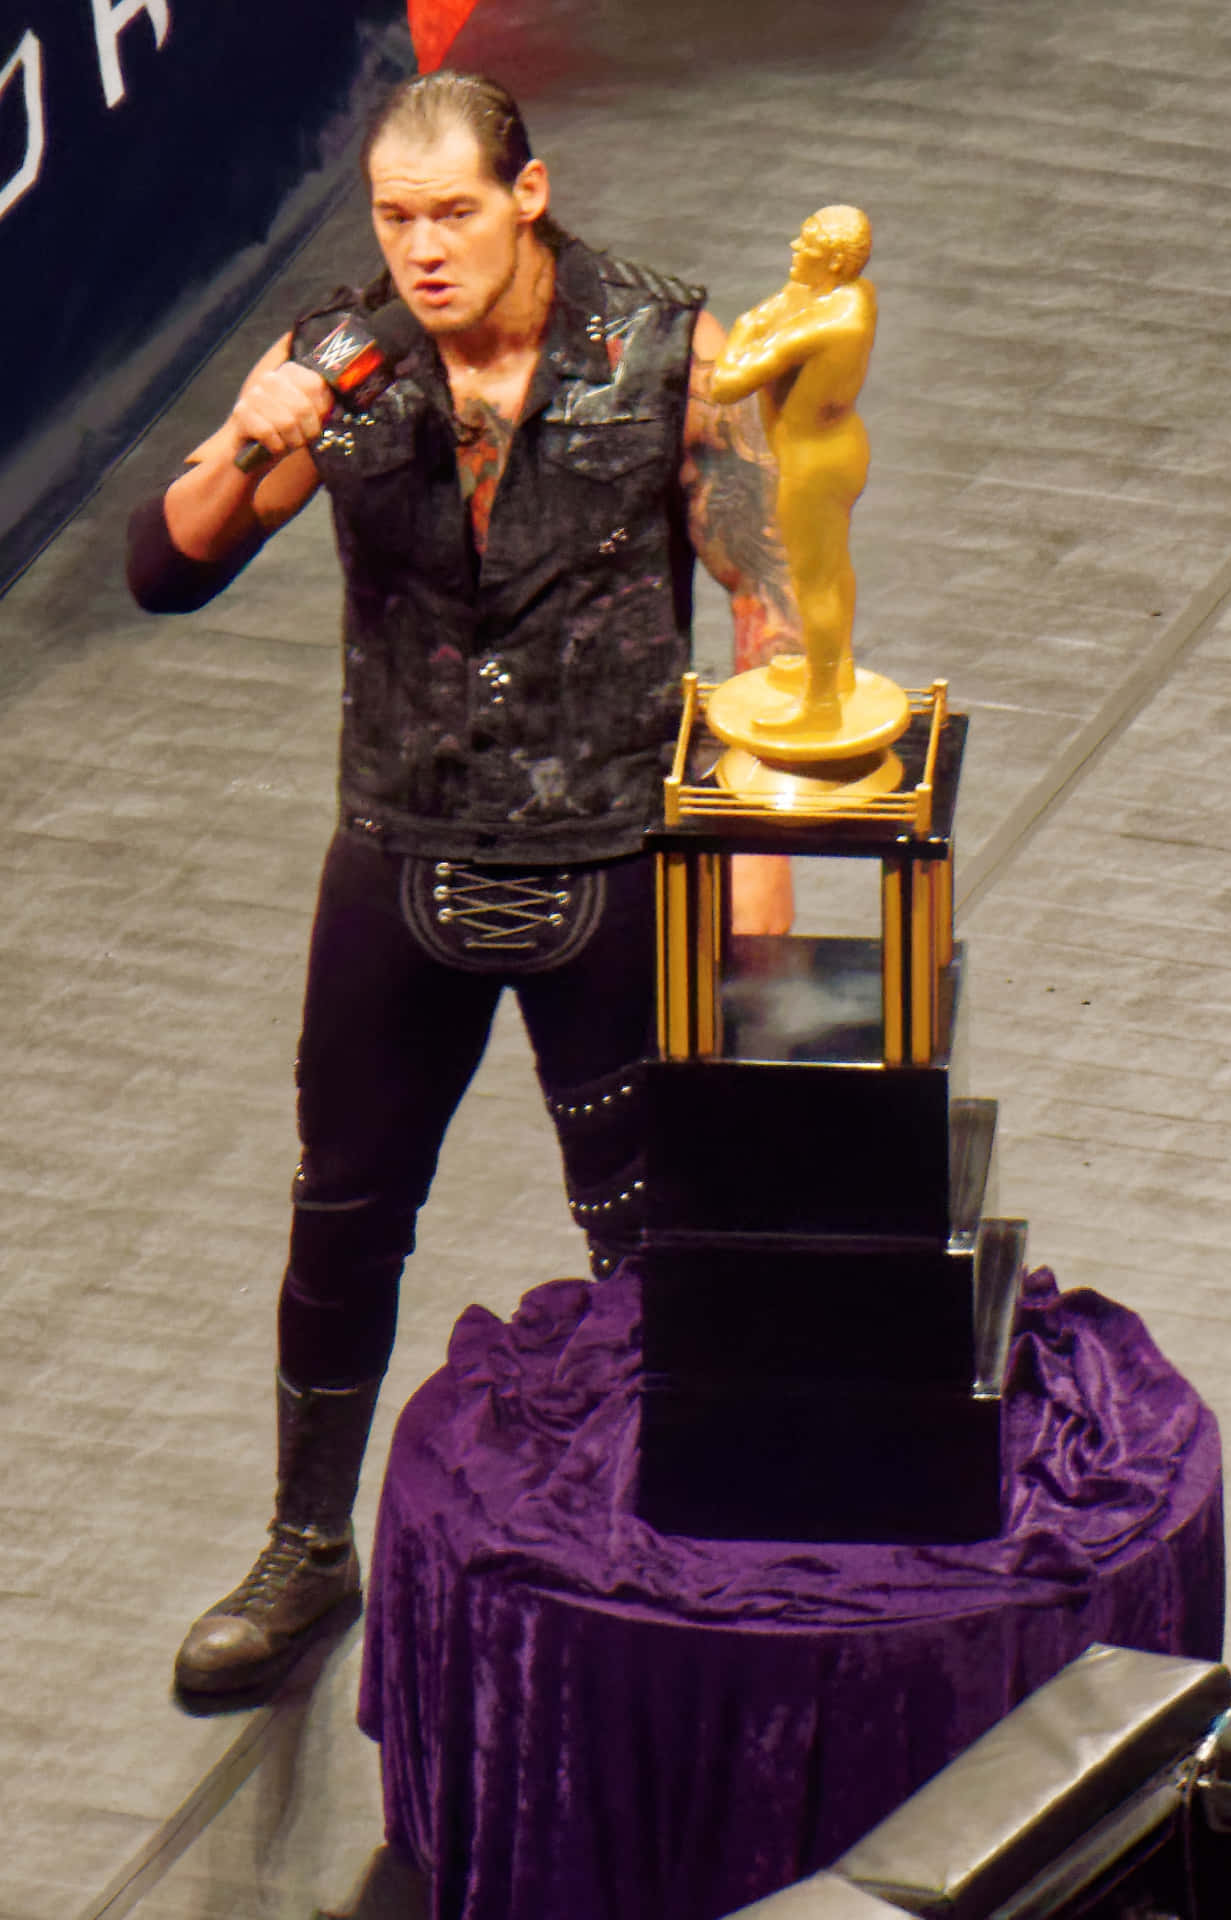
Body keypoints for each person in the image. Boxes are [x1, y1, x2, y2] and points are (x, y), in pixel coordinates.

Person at [127, 69, 800, 1700]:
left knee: (652, 1225)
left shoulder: (674, 360)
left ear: (528, 196)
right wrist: (243, 436)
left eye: (450, 215)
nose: (421, 251)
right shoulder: (339, 360)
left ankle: (681, 1542)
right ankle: (305, 1546)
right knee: (342, 1214)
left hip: (617, 854)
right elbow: (164, 570)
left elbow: (773, 624)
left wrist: (759, 883)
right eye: (394, 218)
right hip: (404, 846)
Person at [711, 205, 876, 739]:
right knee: (829, 569)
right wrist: (762, 323)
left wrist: (741, 329)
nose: (793, 250)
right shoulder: (845, 293)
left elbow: (726, 383)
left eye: (805, 245)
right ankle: (835, 668)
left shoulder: (833, 320)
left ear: (831, 261)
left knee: (813, 581)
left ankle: (821, 705)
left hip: (816, 464)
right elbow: (779, 307)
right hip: (826, 451)